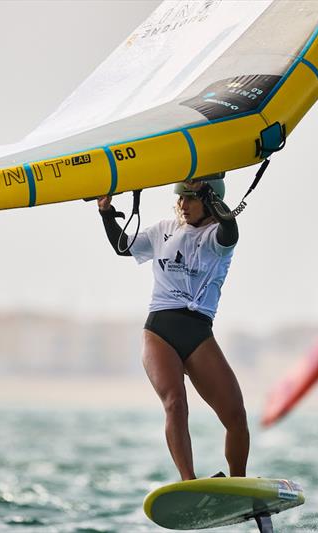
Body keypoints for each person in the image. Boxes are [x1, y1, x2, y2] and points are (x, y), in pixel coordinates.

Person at [96, 175, 249, 480]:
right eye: (181, 198)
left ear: (209, 201)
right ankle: (188, 481)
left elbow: (230, 229)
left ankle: (238, 482)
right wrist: (105, 212)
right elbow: (122, 246)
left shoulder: (217, 237)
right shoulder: (164, 230)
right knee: (175, 403)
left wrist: (212, 196)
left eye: (191, 198)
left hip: (198, 332)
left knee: (236, 416)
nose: (183, 204)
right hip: (160, 330)